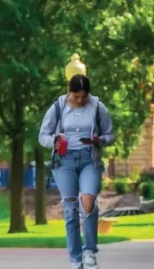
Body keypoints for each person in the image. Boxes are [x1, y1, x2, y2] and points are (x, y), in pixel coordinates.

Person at [38, 74, 115, 269]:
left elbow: (110, 134)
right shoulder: (58, 107)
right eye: (76, 96)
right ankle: (75, 258)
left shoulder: (97, 107)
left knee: (88, 201)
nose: (81, 100)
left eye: (84, 97)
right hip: (64, 161)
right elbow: (42, 136)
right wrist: (54, 140)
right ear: (69, 91)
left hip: (90, 159)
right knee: (70, 209)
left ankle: (89, 251)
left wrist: (100, 140)